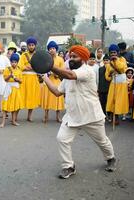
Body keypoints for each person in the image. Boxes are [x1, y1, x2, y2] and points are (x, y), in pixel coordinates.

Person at [42, 45, 117, 179]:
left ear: (83, 58)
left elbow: (71, 75)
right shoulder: (67, 75)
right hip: (72, 116)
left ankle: (111, 158)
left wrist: (49, 66)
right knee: (62, 139)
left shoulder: (87, 71)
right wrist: (45, 77)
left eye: (74, 57)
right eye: (70, 56)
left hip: (91, 115)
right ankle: (68, 166)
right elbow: (57, 92)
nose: (71, 59)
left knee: (102, 141)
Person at [41, 41, 65, 123]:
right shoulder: (46, 59)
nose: (52, 50)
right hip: (48, 81)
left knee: (57, 99)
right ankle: (45, 115)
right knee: (47, 98)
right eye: (50, 48)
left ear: (56, 49)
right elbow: (43, 69)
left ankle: (58, 116)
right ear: (48, 50)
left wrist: (56, 74)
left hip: (57, 81)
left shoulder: (60, 59)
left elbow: (63, 71)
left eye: (53, 48)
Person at [18, 37, 40, 122]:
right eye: (29, 45)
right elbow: (20, 66)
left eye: (32, 45)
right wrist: (26, 67)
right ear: (27, 46)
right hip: (24, 79)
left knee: (32, 97)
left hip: (34, 79)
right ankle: (16, 115)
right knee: (21, 96)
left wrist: (33, 68)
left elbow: (39, 67)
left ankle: (29, 116)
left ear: (35, 46)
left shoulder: (37, 56)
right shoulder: (23, 55)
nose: (31, 47)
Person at [105, 44, 129, 124]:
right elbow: (107, 76)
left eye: (114, 52)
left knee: (119, 101)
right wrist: (111, 75)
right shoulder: (108, 64)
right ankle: (112, 116)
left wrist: (116, 60)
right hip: (113, 83)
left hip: (121, 84)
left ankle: (117, 117)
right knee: (112, 100)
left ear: (118, 53)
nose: (113, 54)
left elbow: (122, 68)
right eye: (111, 53)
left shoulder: (122, 59)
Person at [0, 53, 23, 128]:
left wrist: (17, 79)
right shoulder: (7, 69)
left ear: (17, 62)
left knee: (14, 105)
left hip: (16, 89)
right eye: (12, 62)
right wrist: (10, 75)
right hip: (8, 88)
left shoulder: (19, 70)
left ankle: (13, 121)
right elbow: (5, 79)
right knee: (6, 105)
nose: (14, 63)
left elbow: (21, 81)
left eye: (15, 62)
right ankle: (3, 122)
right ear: (10, 62)